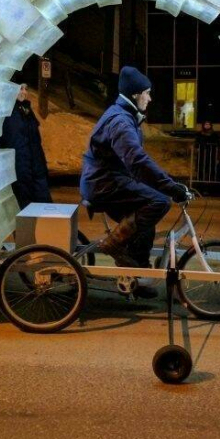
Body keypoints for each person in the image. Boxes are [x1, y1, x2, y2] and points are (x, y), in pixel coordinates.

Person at [80, 66, 190, 293]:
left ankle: (136, 277)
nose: (149, 99)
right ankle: (114, 243)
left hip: (110, 179)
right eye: (147, 93)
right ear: (135, 94)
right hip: (103, 184)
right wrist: (170, 188)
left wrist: (167, 181)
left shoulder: (126, 116)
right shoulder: (120, 122)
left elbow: (138, 162)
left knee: (145, 223)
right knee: (159, 201)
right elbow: (137, 161)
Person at [0, 84, 52, 210]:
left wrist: (41, 166)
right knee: (25, 205)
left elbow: (35, 141)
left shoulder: (26, 109)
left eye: (26, 89)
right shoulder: (6, 112)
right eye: (20, 88)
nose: (24, 92)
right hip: (20, 167)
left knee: (45, 205)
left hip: (36, 166)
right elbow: (9, 142)